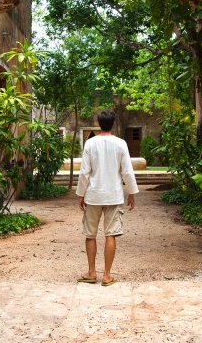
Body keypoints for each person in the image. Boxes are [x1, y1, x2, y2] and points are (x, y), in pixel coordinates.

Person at [76, 110, 138, 286]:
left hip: (93, 195)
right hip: (113, 195)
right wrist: (131, 193)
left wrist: (81, 194)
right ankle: (107, 275)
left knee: (90, 235)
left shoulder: (90, 143)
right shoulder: (121, 144)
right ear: (113, 123)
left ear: (99, 123)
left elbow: (84, 172)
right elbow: (127, 171)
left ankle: (91, 272)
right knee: (110, 235)